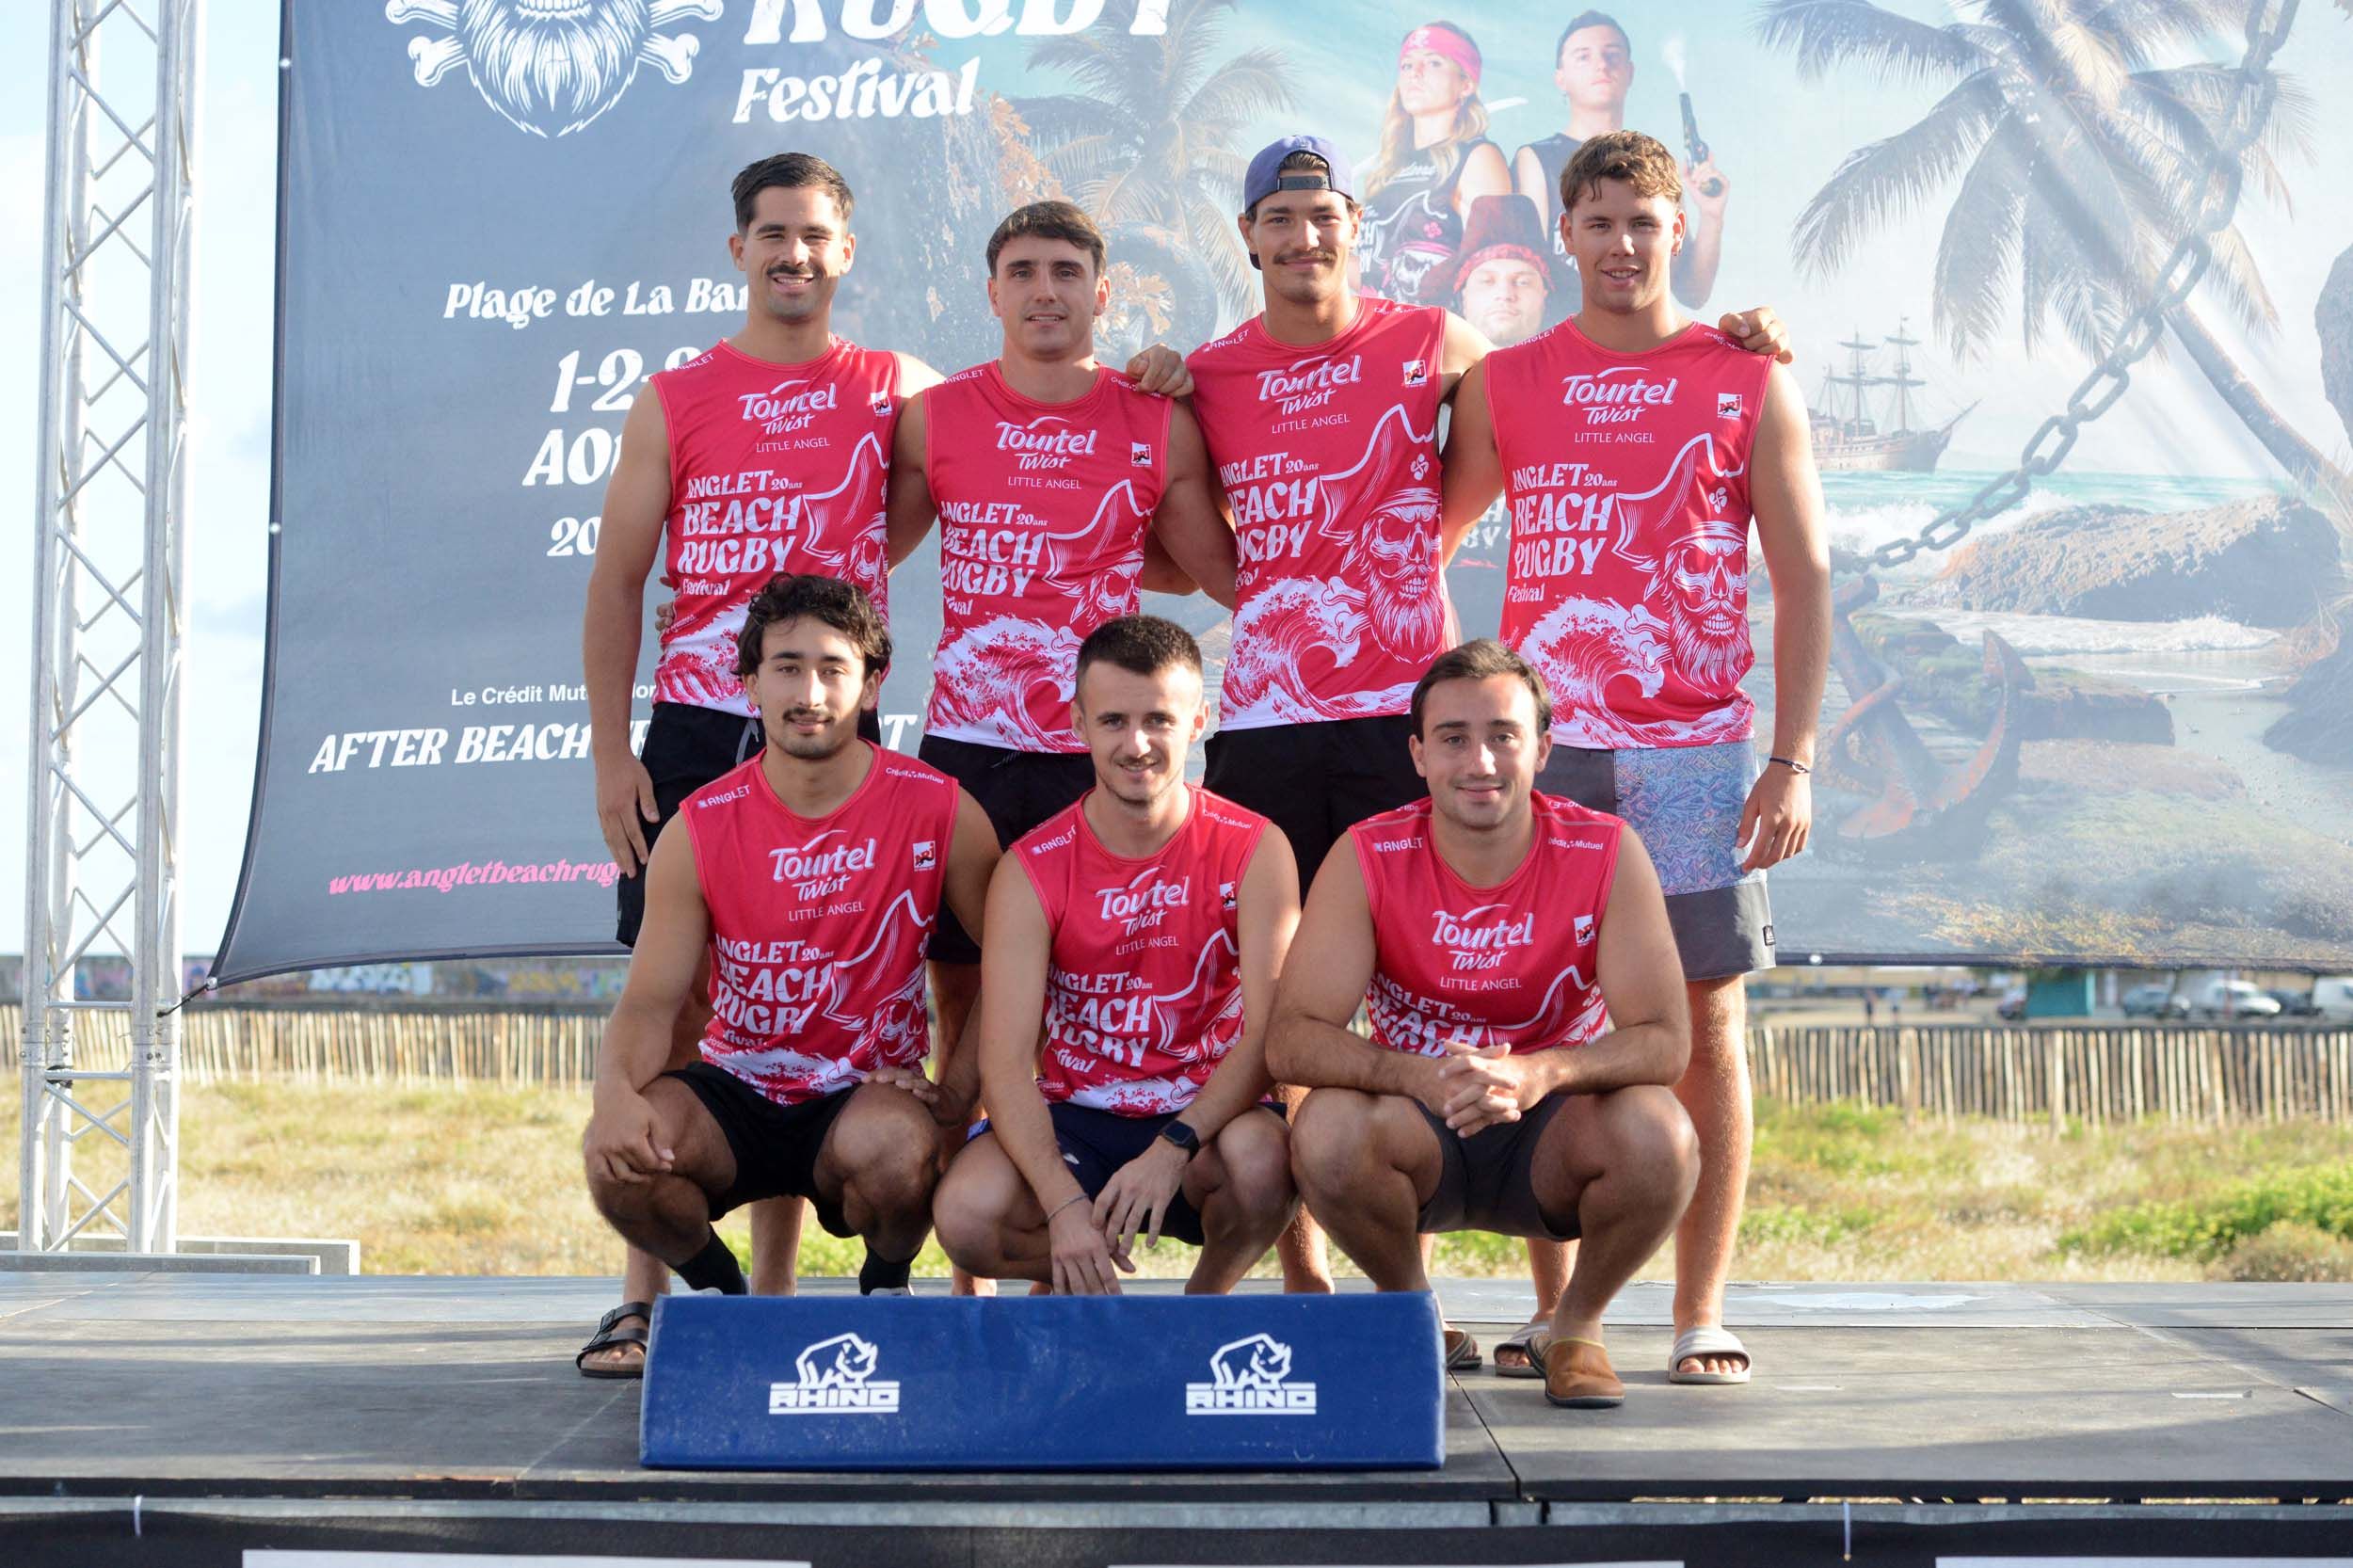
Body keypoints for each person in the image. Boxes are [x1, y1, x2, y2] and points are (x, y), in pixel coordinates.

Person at [1188, 133, 1785, 1294]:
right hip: (1266, 721)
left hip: (1409, 716)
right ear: (1249, 235)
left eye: (1323, 214)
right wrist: (1270, 590)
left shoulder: (1439, 341)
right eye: (1280, 217)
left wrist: (1738, 334)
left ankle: (1606, 1305)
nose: (1303, 235)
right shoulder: (1204, 374)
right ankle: (1315, 1280)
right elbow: (1185, 532)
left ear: (1354, 227)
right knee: (1287, 998)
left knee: (1485, 986)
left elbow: (1480, 479)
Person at [1441, 130, 1831, 1386]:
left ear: (1677, 232)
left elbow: (1804, 576)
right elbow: (1419, 542)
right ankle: (1558, 1313)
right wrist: (1456, 717)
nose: (1620, 244)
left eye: (1644, 222)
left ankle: (1697, 1310)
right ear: (1565, 232)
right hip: (1542, 756)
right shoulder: (1506, 380)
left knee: (1706, 1029)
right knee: (1539, 1014)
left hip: (1691, 757)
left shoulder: (1746, 373)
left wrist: (1793, 757)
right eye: (1599, 221)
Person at [578, 152, 909, 1373]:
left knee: (802, 1005)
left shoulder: (894, 387)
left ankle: (768, 1299)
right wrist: (611, 753)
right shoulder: (675, 398)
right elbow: (617, 580)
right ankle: (648, 1296)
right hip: (695, 728)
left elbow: (1016, 424)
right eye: (773, 234)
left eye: (816, 235)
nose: (794, 254)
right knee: (676, 1019)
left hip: (829, 726)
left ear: (845, 251)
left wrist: (1152, 370)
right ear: (739, 250)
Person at [1270, 640, 1698, 1409]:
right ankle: (1411, 1312)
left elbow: (1665, 1040)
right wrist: (1419, 1077)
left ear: (1543, 748)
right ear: (1418, 754)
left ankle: (1575, 1328)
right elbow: (1293, 1036)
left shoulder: (1605, 850)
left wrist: (1541, 1073)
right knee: (1326, 1128)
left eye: (1504, 735)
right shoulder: (1367, 854)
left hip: (1552, 1132)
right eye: (1453, 738)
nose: (1481, 762)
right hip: (1419, 1126)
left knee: (1660, 1133)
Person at [885, 199, 1237, 1123]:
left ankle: (1076, 1173)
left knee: (1091, 987)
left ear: (1102, 294)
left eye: (1066, 273)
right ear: (993, 294)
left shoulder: (1155, 420)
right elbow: (856, 555)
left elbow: (1228, 573)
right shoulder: (934, 418)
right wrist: (731, 601)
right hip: (970, 747)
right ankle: (968, 1202)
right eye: (1024, 273)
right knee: (961, 983)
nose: (1045, 291)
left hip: (1099, 748)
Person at [582, 574, 1000, 1314]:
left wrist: (955, 1095)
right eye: (786, 667)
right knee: (616, 1162)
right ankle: (728, 1299)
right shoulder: (699, 825)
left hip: (863, 1098)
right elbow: (649, 1003)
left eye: (834, 669)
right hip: (735, 1092)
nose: (810, 693)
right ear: (750, 685)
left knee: (902, 1152)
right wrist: (613, 1096)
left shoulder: (940, 809)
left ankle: (886, 1284)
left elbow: (1014, 973)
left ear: (872, 686)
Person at [933, 616, 1301, 1294]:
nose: (1137, 745)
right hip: (1078, 1119)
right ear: (1078, 724)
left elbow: (1270, 1035)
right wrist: (1062, 1207)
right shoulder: (1030, 867)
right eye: (1113, 721)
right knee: (967, 1215)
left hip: (1207, 1121)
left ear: (1199, 722)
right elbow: (1006, 1067)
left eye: (1159, 719)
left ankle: (1202, 1305)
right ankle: (1093, 1288)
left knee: (1263, 1162)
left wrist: (1174, 1146)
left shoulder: (1256, 846)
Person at [1513, 10, 1731, 317]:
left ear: (1630, 71)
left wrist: (1711, 215)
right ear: (1560, 78)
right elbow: (1528, 268)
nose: (1601, 65)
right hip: (1566, 335)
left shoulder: (1654, 163)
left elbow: (1693, 292)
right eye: (1583, 56)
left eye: (1612, 54)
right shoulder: (1535, 159)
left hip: (1638, 339)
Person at [1356, 22, 1513, 305]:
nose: (1415, 73)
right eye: (1407, 65)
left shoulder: (1478, 157)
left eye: (1433, 63)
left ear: (1466, 84)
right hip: (1376, 326)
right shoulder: (1389, 168)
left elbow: (1495, 270)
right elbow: (1371, 271)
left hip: (1437, 328)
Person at [1450, 194, 1561, 349]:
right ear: (1464, 297)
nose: (1505, 294)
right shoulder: (1428, 362)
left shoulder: (1578, 363)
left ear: (1544, 297)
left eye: (1523, 282)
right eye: (1486, 281)